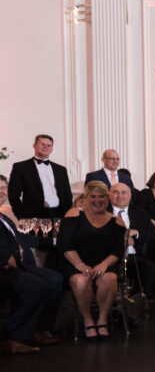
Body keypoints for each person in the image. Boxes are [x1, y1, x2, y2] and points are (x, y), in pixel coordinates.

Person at [0, 175, 63, 353]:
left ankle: (35, 329)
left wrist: (57, 243)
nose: (1, 191)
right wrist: (5, 259)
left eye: (3, 187)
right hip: (5, 268)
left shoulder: (4, 218)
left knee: (55, 279)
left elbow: (23, 239)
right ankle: (10, 338)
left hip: (20, 265)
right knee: (36, 285)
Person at [57, 181, 125, 341]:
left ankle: (101, 320)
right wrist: (80, 264)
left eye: (101, 196)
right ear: (86, 198)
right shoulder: (74, 214)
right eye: (93, 196)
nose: (97, 200)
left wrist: (104, 264)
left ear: (107, 198)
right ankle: (88, 320)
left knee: (109, 279)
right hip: (75, 263)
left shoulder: (117, 221)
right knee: (81, 281)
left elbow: (118, 251)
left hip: (105, 264)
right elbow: (65, 244)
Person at [7, 134, 73, 219]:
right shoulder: (20, 167)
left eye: (49, 145)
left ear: (51, 149)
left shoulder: (61, 170)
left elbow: (67, 194)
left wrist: (66, 213)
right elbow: (13, 195)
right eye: (42, 144)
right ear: (34, 145)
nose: (46, 147)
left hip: (59, 215)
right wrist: (21, 215)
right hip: (32, 216)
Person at [109, 182, 155, 296]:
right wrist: (122, 238)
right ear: (109, 195)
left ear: (130, 196)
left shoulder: (140, 213)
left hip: (133, 258)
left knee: (149, 269)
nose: (120, 196)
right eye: (115, 192)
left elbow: (154, 234)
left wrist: (136, 233)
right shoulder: (103, 212)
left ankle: (134, 303)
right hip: (111, 259)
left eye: (124, 193)